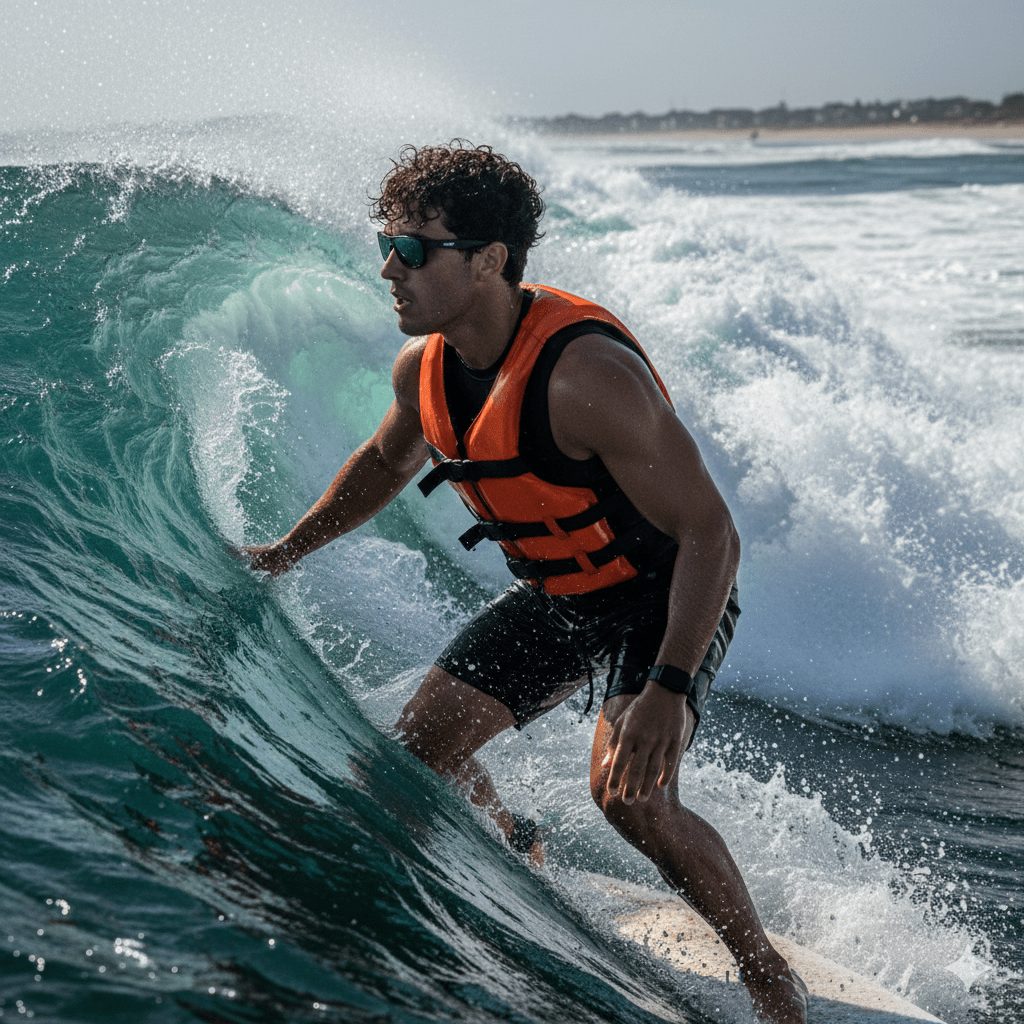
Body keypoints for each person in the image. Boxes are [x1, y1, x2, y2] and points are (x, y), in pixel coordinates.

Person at [240, 142, 807, 1024]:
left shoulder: (586, 378)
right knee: (419, 753)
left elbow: (710, 532)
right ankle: (514, 855)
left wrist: (669, 683)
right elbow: (384, 464)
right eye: (387, 244)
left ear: (490, 261)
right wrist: (284, 550)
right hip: (563, 594)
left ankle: (768, 975)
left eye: (417, 249)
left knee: (634, 801)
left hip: (662, 595)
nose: (391, 268)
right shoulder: (422, 369)